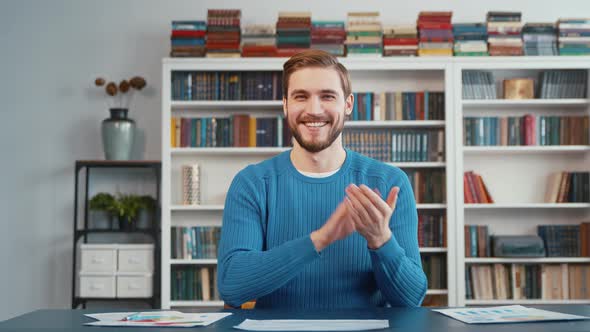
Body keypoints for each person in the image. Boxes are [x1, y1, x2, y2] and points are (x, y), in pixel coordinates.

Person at [217, 50, 427, 309]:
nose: (313, 110)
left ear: (348, 104)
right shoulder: (253, 183)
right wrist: (319, 240)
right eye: (300, 97)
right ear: (285, 104)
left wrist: (380, 239)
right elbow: (232, 286)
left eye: (327, 96)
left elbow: (411, 300)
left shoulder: (389, 182)